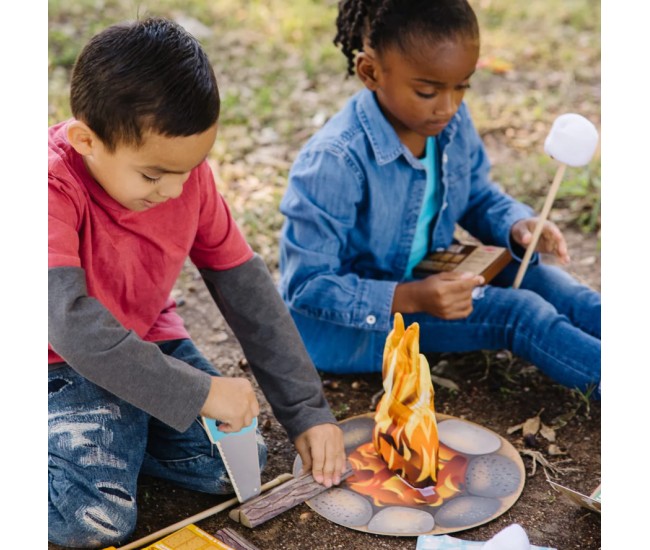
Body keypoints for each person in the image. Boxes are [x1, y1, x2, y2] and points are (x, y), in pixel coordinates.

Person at [48, 17, 345, 549]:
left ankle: (112, 436)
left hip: (146, 340)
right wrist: (197, 392)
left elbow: (246, 289)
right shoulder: (45, 187)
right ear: (85, 139)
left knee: (237, 463)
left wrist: (306, 412)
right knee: (93, 518)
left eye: (194, 167)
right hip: (56, 363)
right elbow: (73, 329)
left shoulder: (183, 177)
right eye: (155, 175)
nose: (178, 190)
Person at [279, 0, 600, 396]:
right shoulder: (335, 161)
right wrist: (412, 297)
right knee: (522, 314)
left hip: (429, 277)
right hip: (357, 324)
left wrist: (517, 224)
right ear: (370, 71)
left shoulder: (451, 123)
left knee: (557, 287)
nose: (448, 107)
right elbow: (307, 286)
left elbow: (477, 196)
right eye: (428, 91)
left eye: (462, 86)